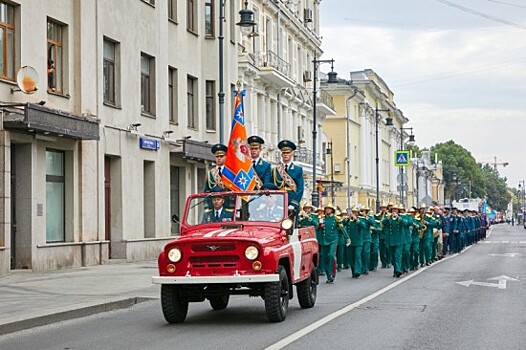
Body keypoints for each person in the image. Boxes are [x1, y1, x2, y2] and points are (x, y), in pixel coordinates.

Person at [269, 140, 304, 213]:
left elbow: (300, 189)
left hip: (292, 201)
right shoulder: (275, 170)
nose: (285, 155)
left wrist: (293, 204)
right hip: (278, 201)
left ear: (292, 154)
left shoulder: (297, 169)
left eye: (288, 153)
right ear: (281, 154)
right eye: (284, 153)